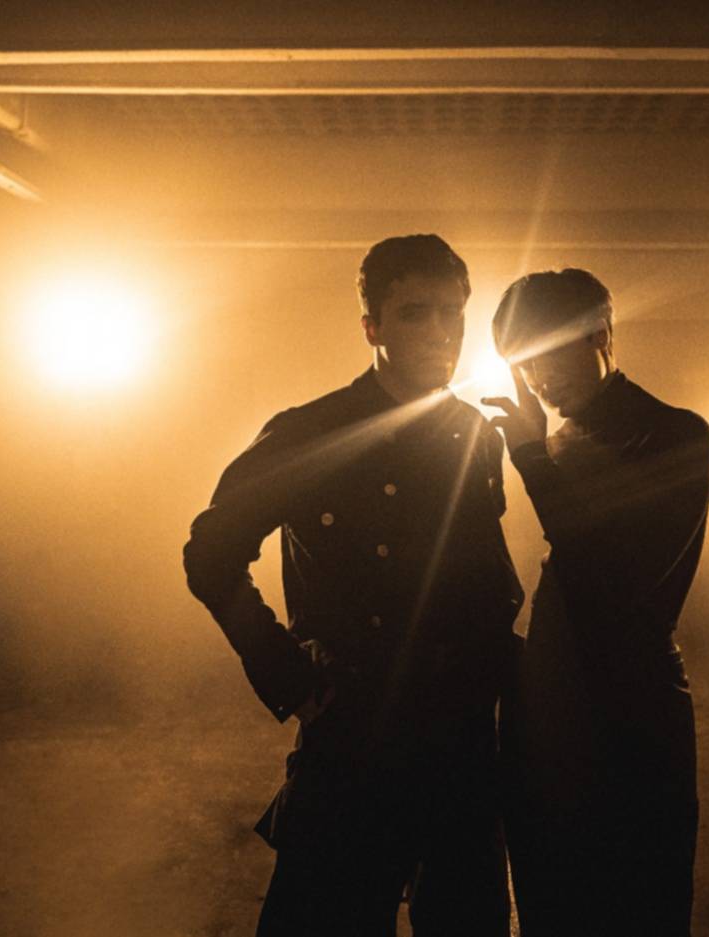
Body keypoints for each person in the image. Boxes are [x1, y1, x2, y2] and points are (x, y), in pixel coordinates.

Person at [183, 234, 524, 937]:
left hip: (461, 736)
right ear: (372, 327)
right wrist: (287, 674)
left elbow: (482, 580)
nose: (440, 331)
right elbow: (211, 553)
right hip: (359, 728)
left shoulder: (475, 435)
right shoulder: (312, 431)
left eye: (452, 313)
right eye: (415, 312)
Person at [482, 268, 709, 937]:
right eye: (522, 363)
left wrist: (531, 458)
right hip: (546, 714)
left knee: (639, 906)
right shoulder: (555, 441)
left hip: (630, 715)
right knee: (550, 904)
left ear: (600, 334)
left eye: (547, 353)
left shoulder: (676, 435)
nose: (537, 379)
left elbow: (614, 580)